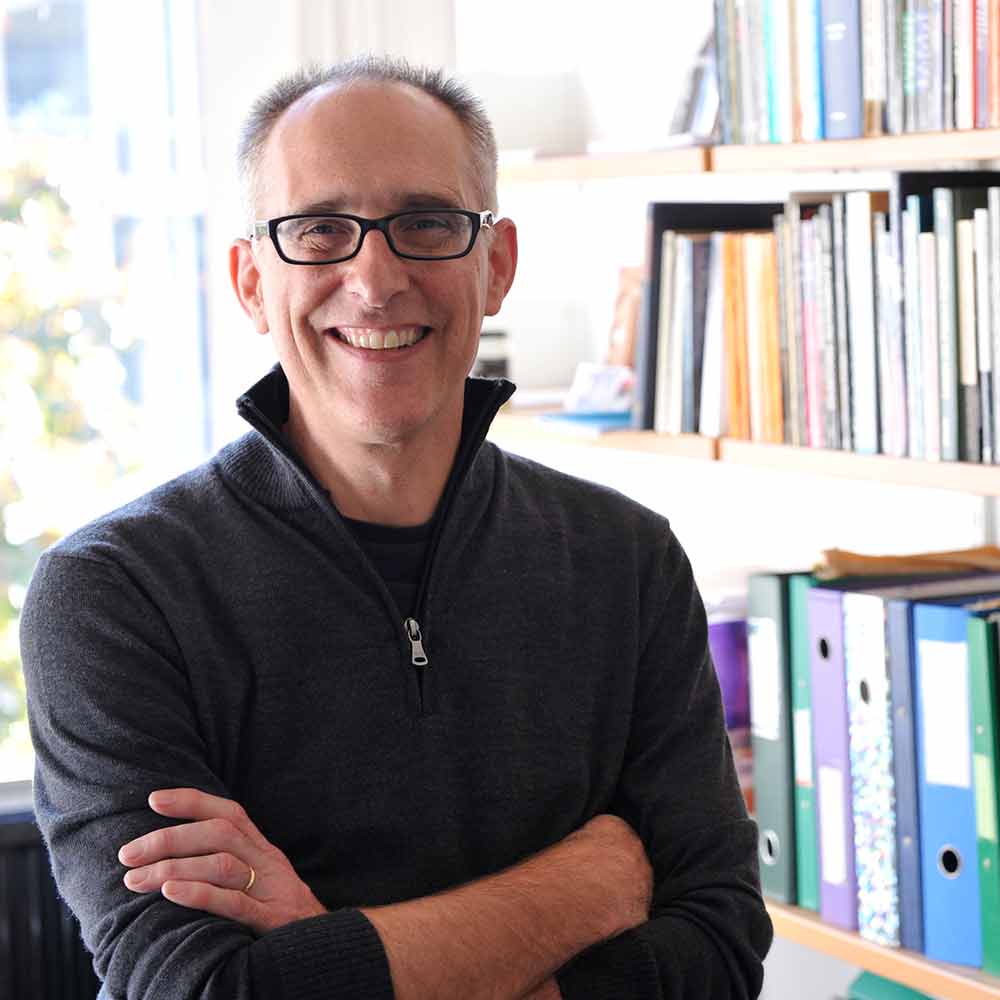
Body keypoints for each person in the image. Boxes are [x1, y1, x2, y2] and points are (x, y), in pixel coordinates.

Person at [20, 55, 773, 999]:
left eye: (424, 223)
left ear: (494, 265)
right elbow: (199, 990)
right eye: (321, 229)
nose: (374, 280)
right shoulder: (116, 593)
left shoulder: (627, 560)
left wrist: (335, 952)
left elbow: (719, 948)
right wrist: (593, 883)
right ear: (253, 281)